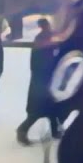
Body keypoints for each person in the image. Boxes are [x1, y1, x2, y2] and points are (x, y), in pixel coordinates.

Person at [17, 18, 61, 146]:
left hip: (42, 81)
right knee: (39, 110)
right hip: (43, 82)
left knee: (52, 109)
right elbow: (47, 62)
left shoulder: (40, 39)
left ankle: (55, 131)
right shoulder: (45, 39)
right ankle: (22, 130)